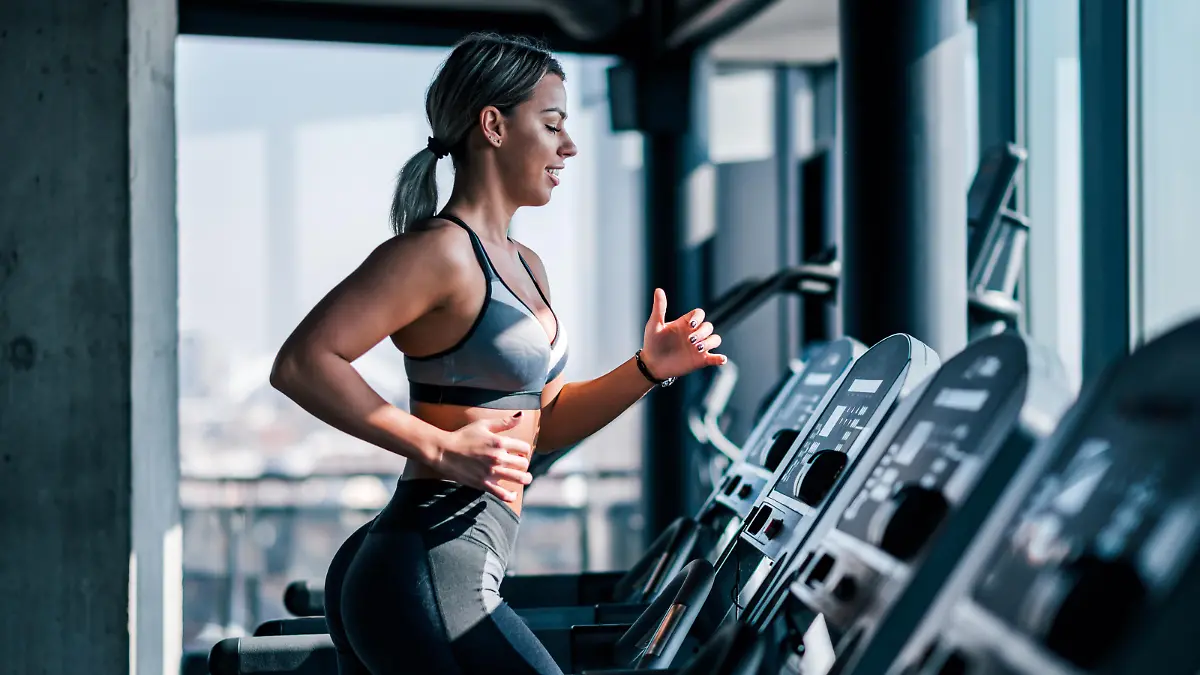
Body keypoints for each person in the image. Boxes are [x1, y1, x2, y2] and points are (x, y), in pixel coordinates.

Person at [270, 32, 726, 675]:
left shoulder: (527, 265)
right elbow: (303, 362)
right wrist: (436, 446)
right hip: (430, 558)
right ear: (494, 124)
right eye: (552, 124)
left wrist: (647, 368)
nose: (568, 145)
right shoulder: (438, 253)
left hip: (448, 558)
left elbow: (545, 425)